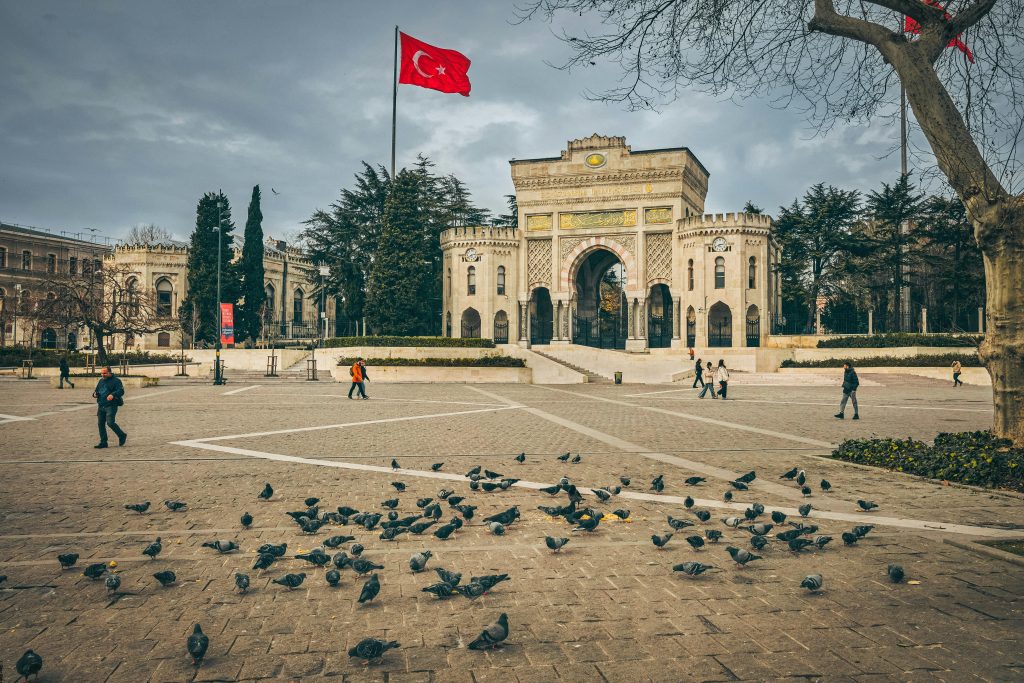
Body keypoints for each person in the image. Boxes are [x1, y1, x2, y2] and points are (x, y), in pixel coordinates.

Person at [93, 365, 127, 448]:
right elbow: (97, 391)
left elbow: (121, 391)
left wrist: (113, 394)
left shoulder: (116, 381)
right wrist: (95, 394)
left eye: (105, 373)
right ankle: (103, 442)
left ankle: (122, 435)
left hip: (111, 405)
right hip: (101, 405)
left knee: (110, 423)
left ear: (109, 372)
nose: (102, 375)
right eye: (101, 373)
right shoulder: (101, 381)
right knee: (100, 424)